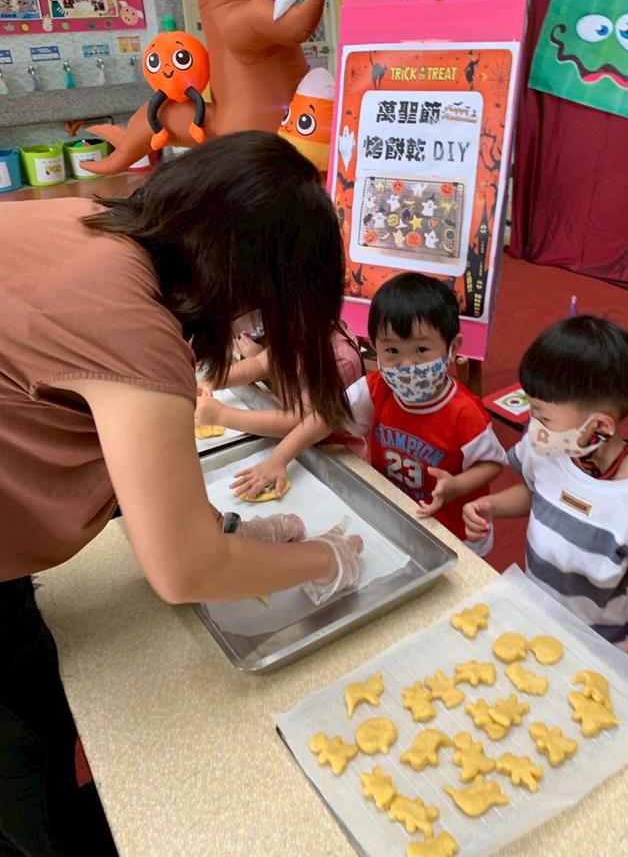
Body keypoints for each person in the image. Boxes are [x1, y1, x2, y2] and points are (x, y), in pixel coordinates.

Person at [0, 131, 364, 856]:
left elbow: (141, 477)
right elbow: (182, 570)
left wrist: (227, 530)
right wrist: (325, 560)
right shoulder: (134, 327)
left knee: (38, 691)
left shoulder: (78, 218)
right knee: (26, 783)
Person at [463, 315, 628, 664]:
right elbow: (536, 495)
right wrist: (492, 505)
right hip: (535, 611)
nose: (532, 426)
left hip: (601, 640)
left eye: (543, 417)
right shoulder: (548, 449)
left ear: (598, 426)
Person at [233, 272, 507, 555]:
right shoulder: (378, 388)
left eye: (422, 349)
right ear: (375, 348)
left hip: (455, 532)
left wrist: (457, 486)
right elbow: (327, 417)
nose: (406, 365)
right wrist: (279, 457)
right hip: (398, 512)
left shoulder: (465, 412)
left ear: (452, 348)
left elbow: (491, 464)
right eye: (392, 350)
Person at [195, 320, 365, 455]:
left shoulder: (339, 359)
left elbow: (297, 422)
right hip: (292, 439)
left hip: (332, 453)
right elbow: (260, 364)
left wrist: (221, 415)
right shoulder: (297, 329)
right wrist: (213, 380)